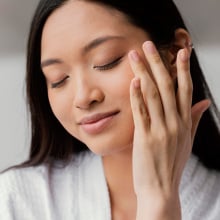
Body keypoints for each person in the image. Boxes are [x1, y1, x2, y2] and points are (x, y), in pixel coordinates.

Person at [0, 0, 220, 219]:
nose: (83, 97)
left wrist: (158, 198)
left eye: (107, 61)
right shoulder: (17, 200)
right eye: (58, 79)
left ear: (175, 53)